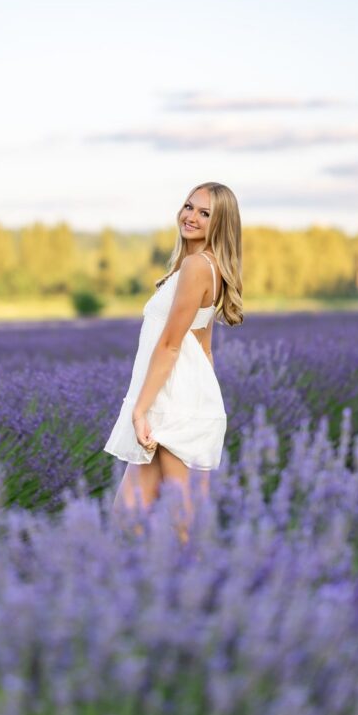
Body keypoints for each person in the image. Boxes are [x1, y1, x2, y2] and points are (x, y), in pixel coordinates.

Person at [103, 181, 244, 540]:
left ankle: (204, 594)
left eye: (205, 213)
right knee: (126, 520)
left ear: (220, 223)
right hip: (177, 402)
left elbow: (169, 345)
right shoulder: (197, 267)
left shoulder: (198, 266)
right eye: (189, 206)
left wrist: (140, 411)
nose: (191, 216)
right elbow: (204, 345)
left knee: (183, 529)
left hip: (170, 406)